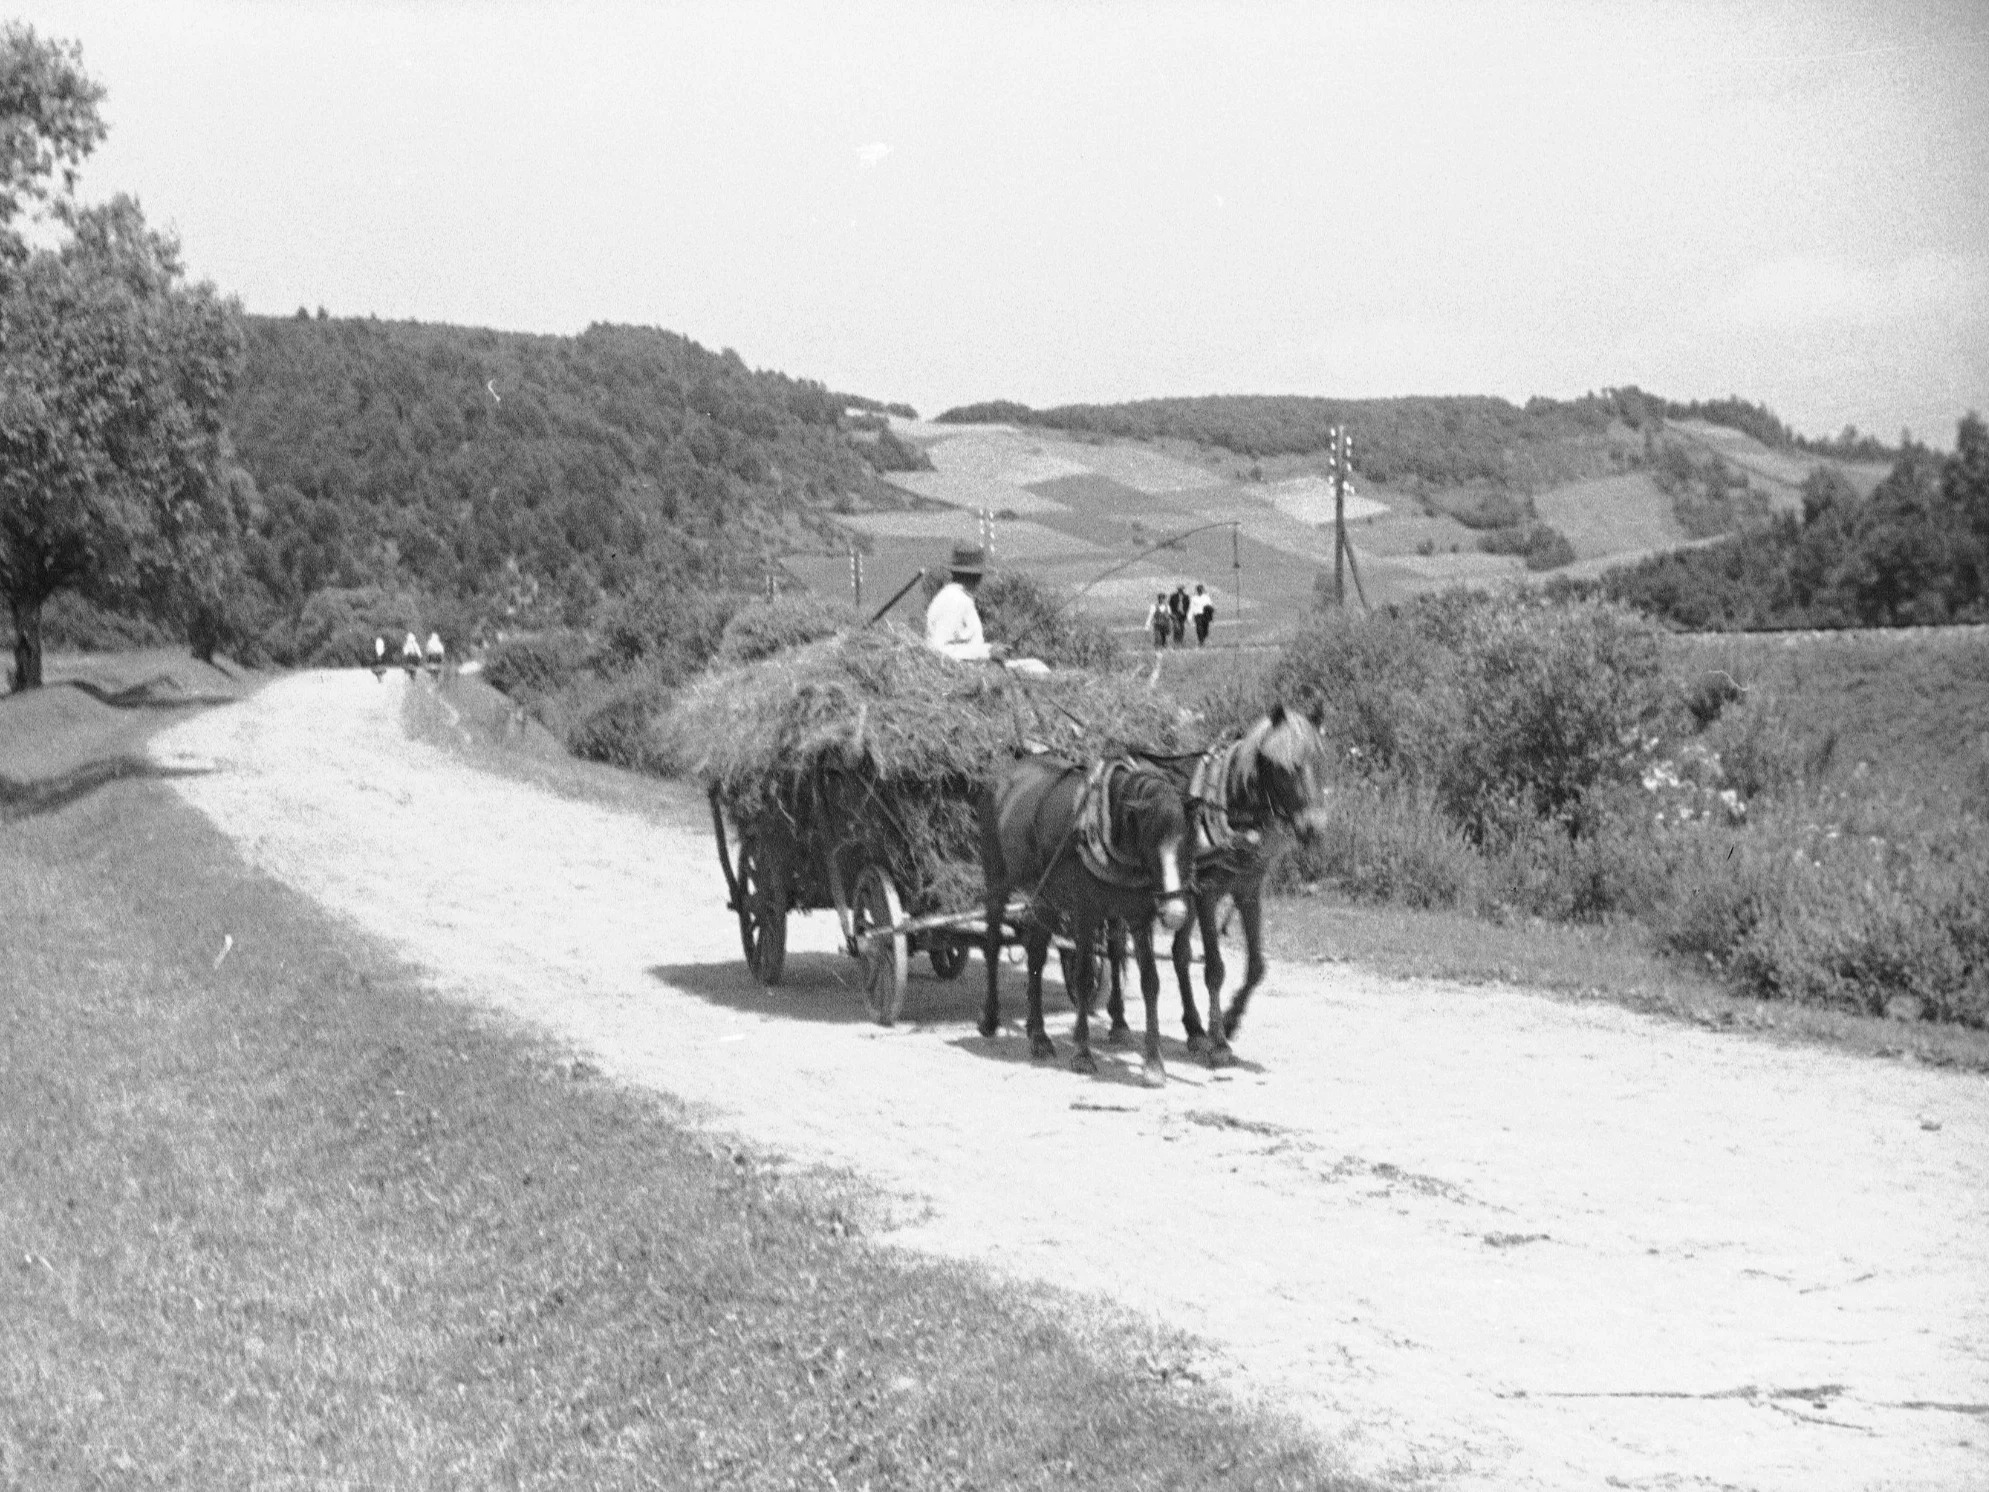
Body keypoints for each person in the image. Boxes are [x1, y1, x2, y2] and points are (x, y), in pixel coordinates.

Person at [925, 544, 1004, 663]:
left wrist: (989, 648)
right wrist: (986, 653)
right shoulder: (956, 601)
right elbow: (939, 649)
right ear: (977, 577)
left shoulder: (954, 596)